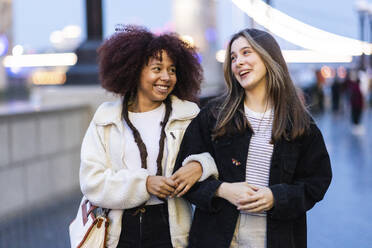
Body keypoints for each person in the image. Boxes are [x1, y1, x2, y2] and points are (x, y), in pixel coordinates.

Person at [174, 28, 332, 248]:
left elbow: (316, 183)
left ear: (268, 56)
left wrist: (276, 197)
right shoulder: (214, 116)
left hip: (278, 239)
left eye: (246, 53)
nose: (238, 62)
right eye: (233, 57)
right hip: (218, 238)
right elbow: (182, 178)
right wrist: (222, 190)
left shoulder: (300, 123)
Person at [79, 25, 217, 248]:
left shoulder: (188, 115)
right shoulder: (106, 117)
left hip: (171, 230)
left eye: (172, 70)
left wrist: (200, 166)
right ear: (134, 70)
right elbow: (91, 181)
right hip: (119, 232)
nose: (166, 77)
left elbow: (215, 157)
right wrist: (145, 184)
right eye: (157, 68)